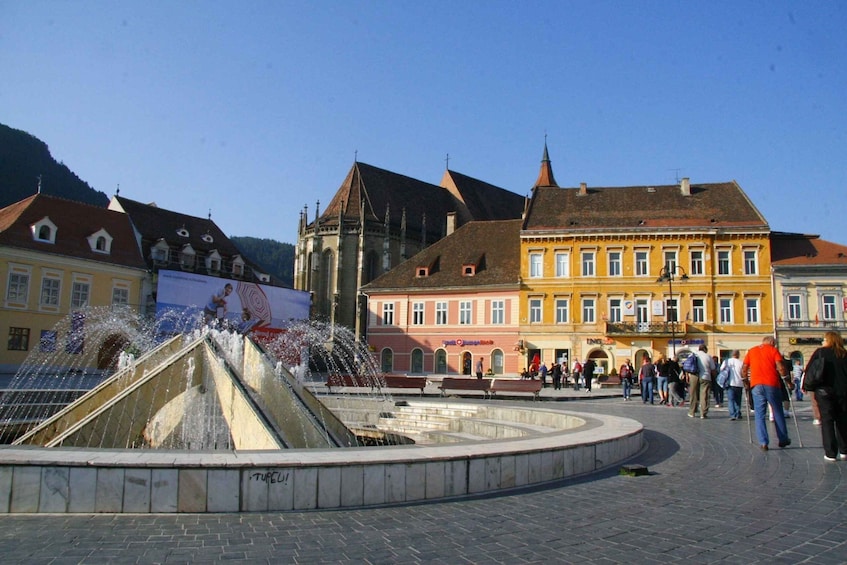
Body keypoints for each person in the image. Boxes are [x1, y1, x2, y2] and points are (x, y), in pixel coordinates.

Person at [741, 336, 792, 451]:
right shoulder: (773, 350)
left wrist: (746, 382)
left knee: (759, 414)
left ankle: (763, 442)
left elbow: (744, 369)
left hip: (756, 385)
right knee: (777, 411)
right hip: (772, 384)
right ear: (772, 342)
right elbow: (781, 368)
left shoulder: (752, 351)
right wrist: (788, 381)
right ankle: (783, 439)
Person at [804, 331, 847, 462]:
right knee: (843, 420)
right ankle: (844, 450)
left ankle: (830, 453)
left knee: (827, 421)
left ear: (829, 340)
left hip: (824, 392)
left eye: (824, 339)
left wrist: (807, 386)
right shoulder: (844, 354)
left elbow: (810, 370)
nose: (823, 341)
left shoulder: (820, 352)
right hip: (843, 392)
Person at [688, 345, 716, 418]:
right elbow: (713, 369)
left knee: (693, 394)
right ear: (704, 349)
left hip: (694, 376)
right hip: (705, 377)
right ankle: (703, 413)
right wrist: (715, 377)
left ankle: (692, 412)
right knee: (704, 395)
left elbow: (688, 366)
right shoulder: (708, 356)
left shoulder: (693, 355)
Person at [723, 350, 745, 420]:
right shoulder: (741, 362)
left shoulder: (727, 361)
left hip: (730, 383)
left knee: (731, 400)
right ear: (738, 355)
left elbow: (722, 370)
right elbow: (743, 372)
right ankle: (738, 413)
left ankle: (732, 414)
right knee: (738, 400)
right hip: (739, 383)